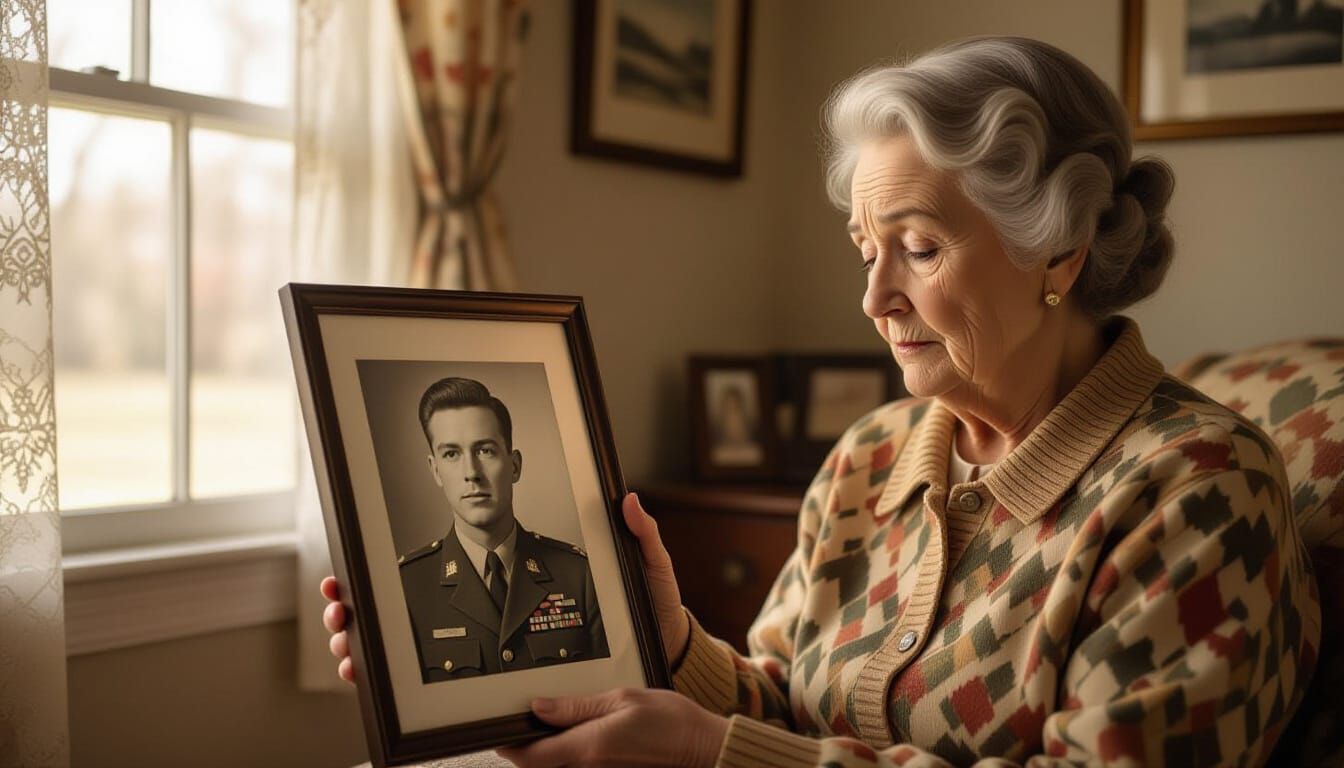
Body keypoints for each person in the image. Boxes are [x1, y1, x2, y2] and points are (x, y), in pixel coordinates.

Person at [322, 37, 1320, 765]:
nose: (874, 299)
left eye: (920, 249)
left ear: (1057, 250)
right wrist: (666, 641)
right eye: (865, 248)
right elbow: (787, 706)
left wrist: (717, 757)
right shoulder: (873, 457)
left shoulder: (1199, 489)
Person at [394, 376, 608, 682]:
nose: (472, 473)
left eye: (485, 451)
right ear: (436, 471)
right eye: (451, 454)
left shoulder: (580, 575)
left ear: (515, 465)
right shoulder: (405, 587)